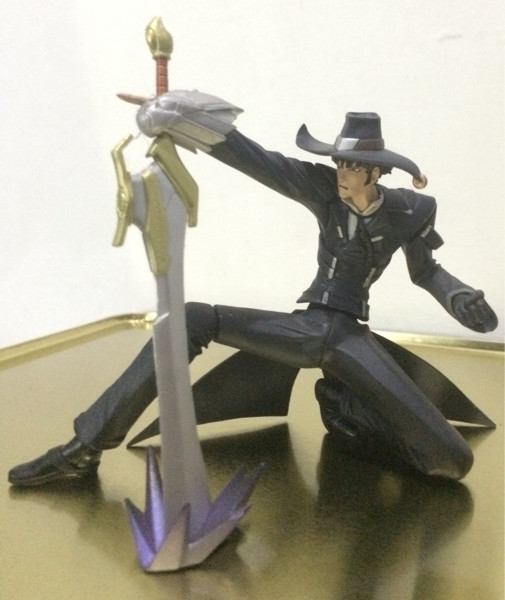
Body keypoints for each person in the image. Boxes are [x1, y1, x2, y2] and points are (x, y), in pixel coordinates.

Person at [8, 95, 497, 486]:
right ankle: (83, 449)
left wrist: (459, 298)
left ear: (375, 171)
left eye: (351, 167)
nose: (341, 175)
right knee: (191, 317)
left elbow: (426, 272)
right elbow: (257, 160)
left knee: (450, 462)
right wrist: (186, 116)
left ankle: (346, 411)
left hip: (351, 341)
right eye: (337, 164)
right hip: (305, 330)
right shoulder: (321, 188)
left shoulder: (411, 210)